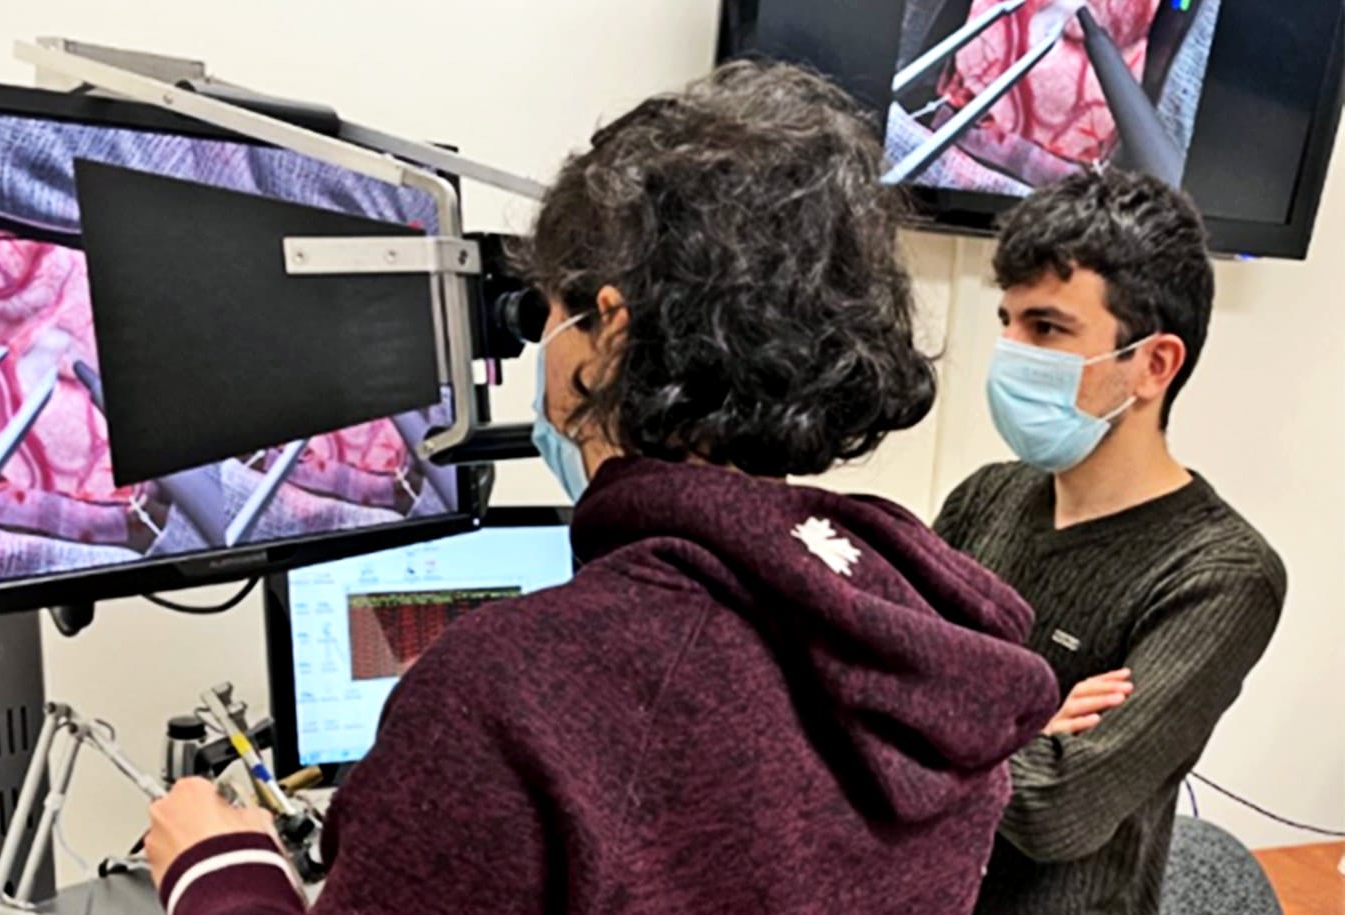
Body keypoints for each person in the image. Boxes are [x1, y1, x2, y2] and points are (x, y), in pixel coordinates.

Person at [144, 61, 1060, 915]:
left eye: (548, 310)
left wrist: (222, 872)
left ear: (609, 332)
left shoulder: (508, 695)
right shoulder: (927, 636)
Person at [934, 170, 1286, 915]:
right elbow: (872, 684)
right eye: (1007, 320)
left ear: (1154, 365)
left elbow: (1059, 806)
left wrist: (945, 722)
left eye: (1048, 329)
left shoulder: (1221, 575)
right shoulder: (986, 496)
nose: (1010, 351)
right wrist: (1031, 722)